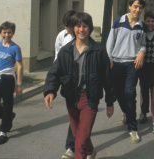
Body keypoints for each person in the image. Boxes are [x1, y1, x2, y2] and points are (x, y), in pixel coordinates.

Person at [44, 12, 115, 159]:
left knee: (80, 141)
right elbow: (54, 72)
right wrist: (50, 90)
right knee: (78, 134)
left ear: (89, 28)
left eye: (85, 26)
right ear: (73, 28)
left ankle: (83, 154)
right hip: (71, 98)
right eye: (78, 26)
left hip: (90, 98)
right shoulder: (66, 51)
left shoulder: (98, 51)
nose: (81, 29)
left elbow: (108, 79)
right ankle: (91, 151)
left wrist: (109, 102)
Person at [106, 0, 146, 144]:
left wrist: (142, 52)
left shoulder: (141, 26)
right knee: (119, 93)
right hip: (116, 62)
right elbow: (110, 41)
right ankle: (126, 112)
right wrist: (109, 59)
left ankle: (132, 128)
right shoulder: (118, 22)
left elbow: (143, 44)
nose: (138, 10)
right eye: (135, 6)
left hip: (132, 64)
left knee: (129, 93)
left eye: (140, 7)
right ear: (130, 6)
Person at [54, 10, 77, 159]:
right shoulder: (62, 36)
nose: (68, 30)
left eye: (70, 26)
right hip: (67, 81)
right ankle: (79, 145)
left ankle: (71, 147)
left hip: (82, 82)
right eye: (66, 27)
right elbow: (57, 56)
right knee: (74, 115)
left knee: (78, 116)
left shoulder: (84, 35)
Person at [137, 12, 154, 135]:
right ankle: (143, 112)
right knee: (143, 89)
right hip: (143, 65)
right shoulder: (141, 32)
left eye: (152, 21)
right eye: (148, 21)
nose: (150, 24)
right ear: (144, 21)